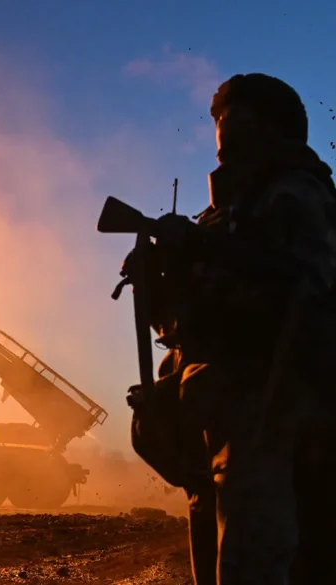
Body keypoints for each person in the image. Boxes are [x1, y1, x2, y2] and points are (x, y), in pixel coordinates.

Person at [133, 73, 336, 585]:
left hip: (271, 406)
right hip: (214, 410)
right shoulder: (222, 214)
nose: (222, 135)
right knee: (217, 558)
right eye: (220, 122)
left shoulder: (296, 193)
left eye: (235, 120)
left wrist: (201, 247)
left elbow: (303, 287)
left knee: (256, 559)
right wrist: (158, 280)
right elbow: (187, 323)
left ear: (273, 128)